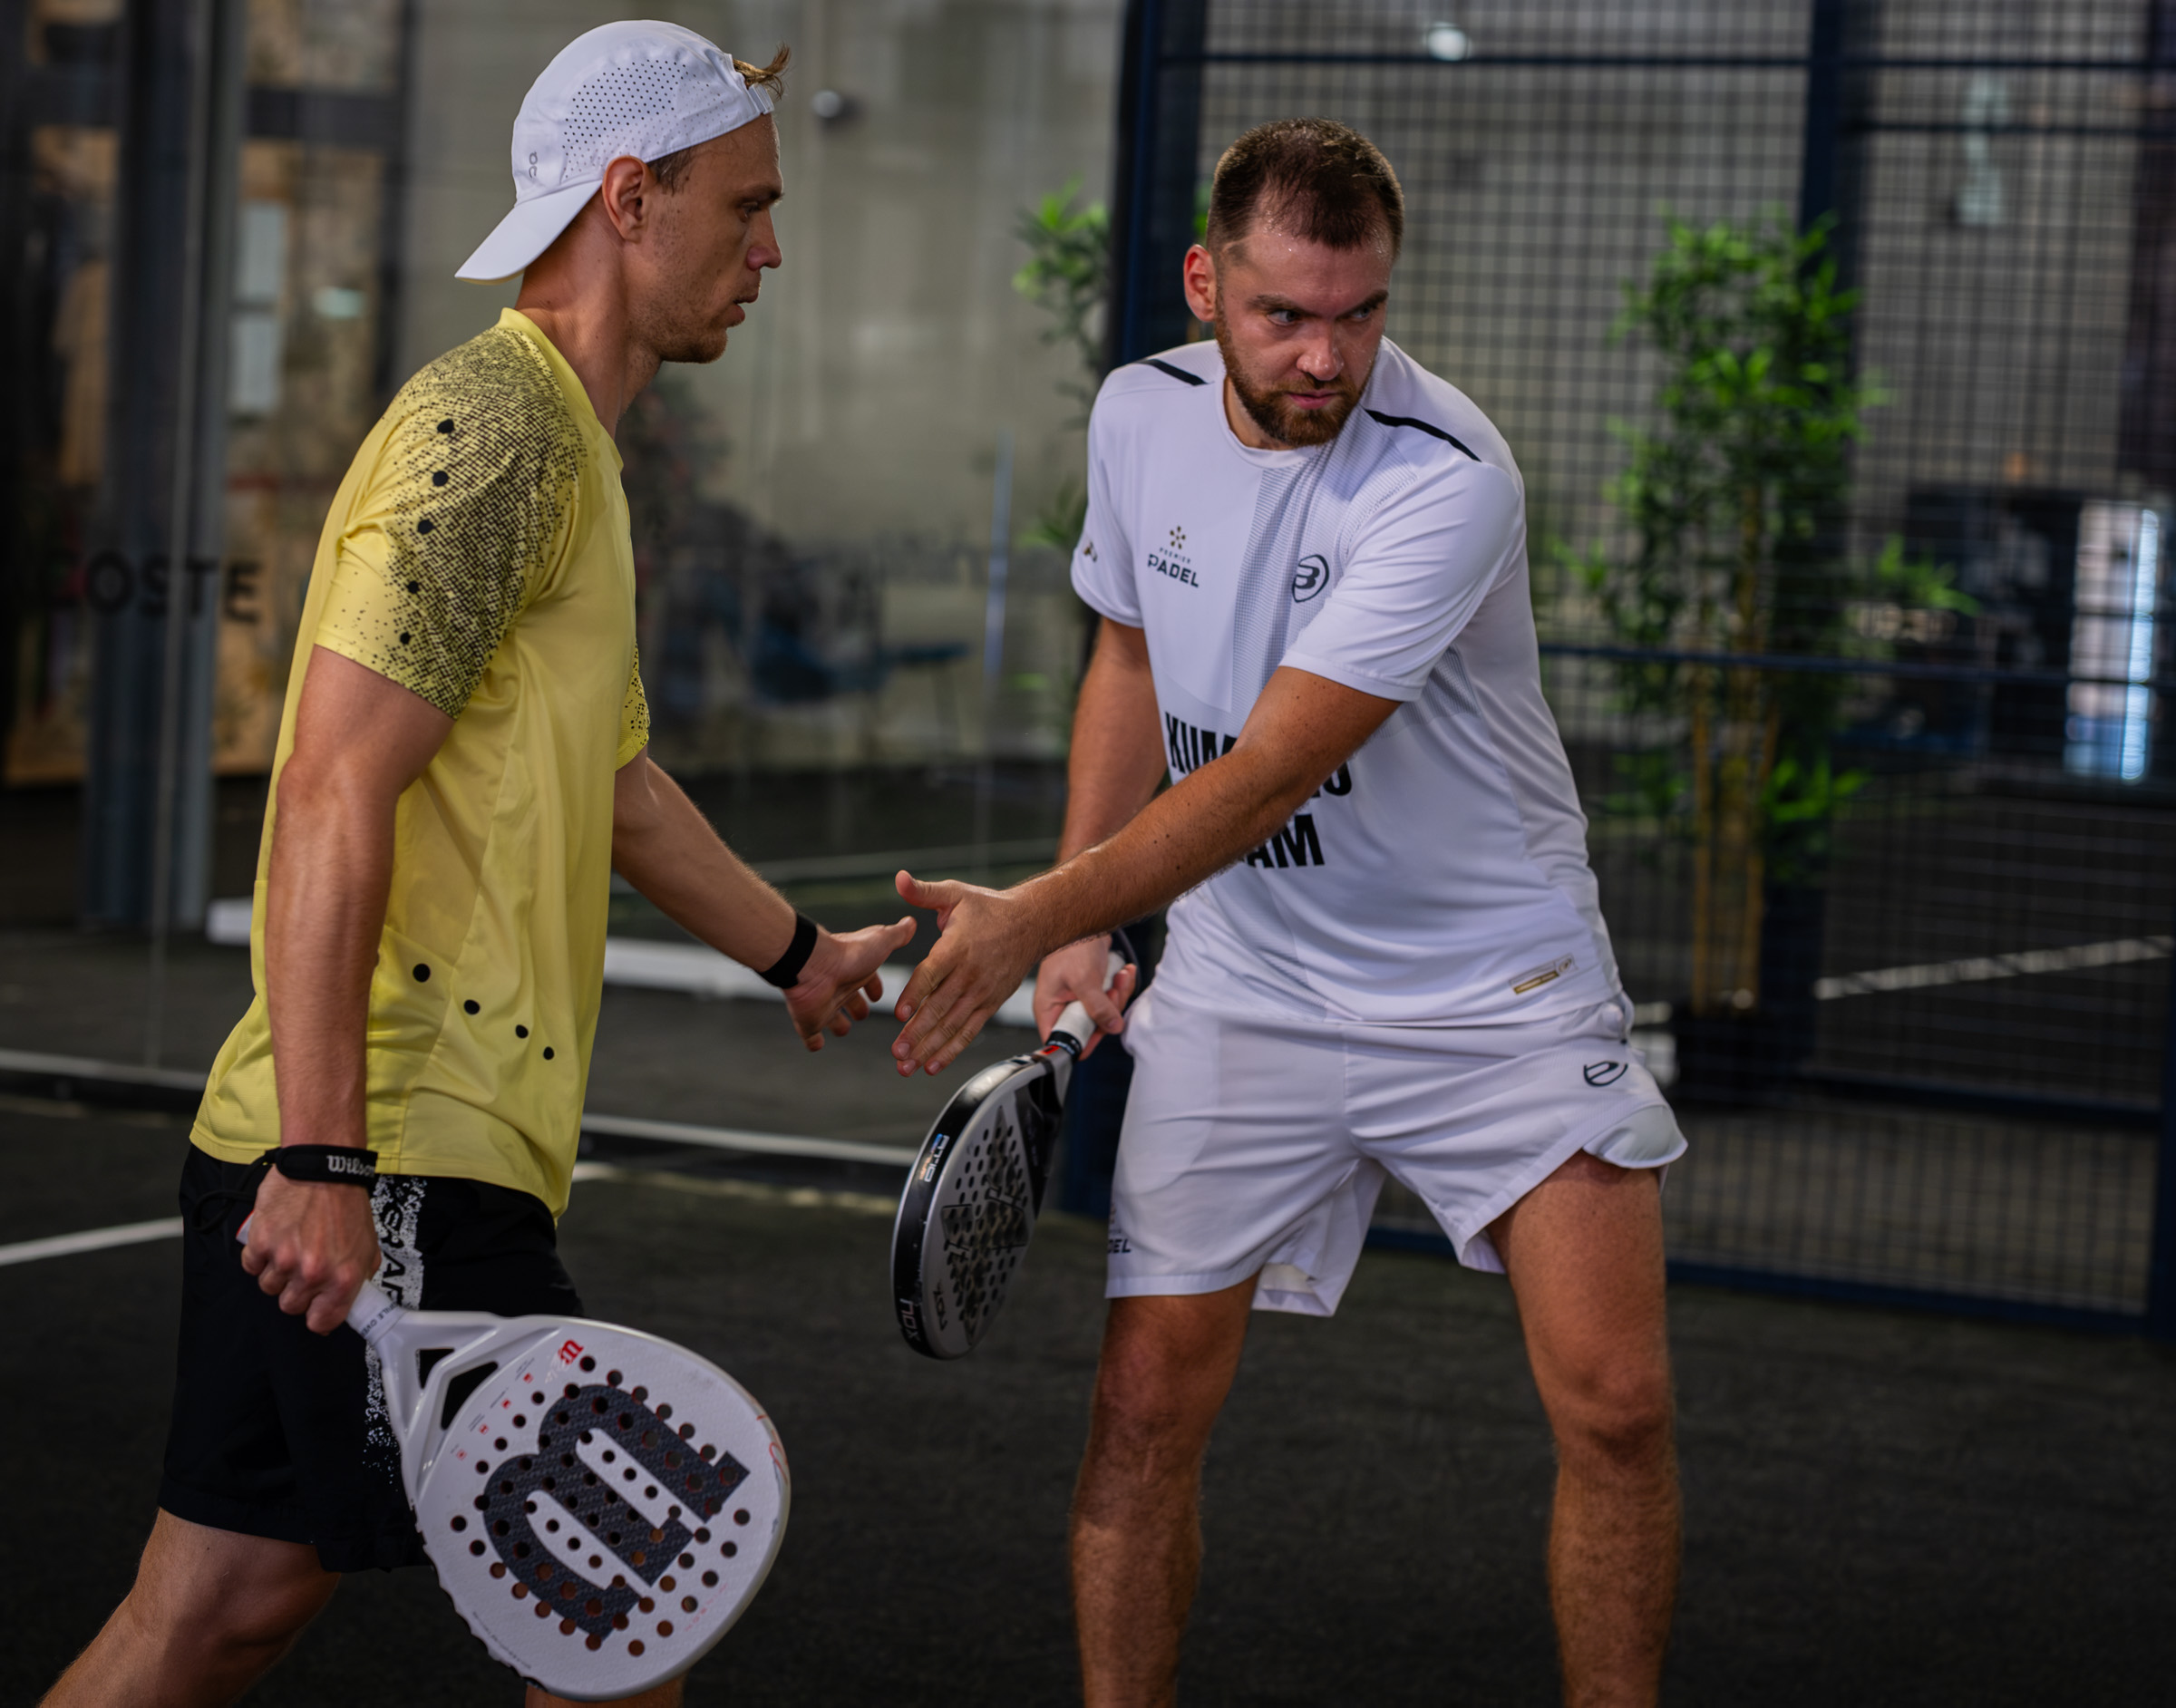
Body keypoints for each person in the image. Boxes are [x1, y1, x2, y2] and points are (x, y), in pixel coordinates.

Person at [44, 24, 907, 1708]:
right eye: (749, 207)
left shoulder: (570, 446)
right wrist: (324, 1156)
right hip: (395, 1138)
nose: (772, 252)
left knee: (208, 1612)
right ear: (629, 197)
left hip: (367, 1136)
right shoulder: (491, 430)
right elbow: (327, 793)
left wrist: (799, 956)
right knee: (622, 1612)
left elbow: (615, 779)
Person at [889, 118, 1685, 1707]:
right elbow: (1125, 652)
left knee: (1618, 1405)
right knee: (1139, 1412)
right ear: (1206, 286)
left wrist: (1028, 907)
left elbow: (1261, 777)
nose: (1328, 355)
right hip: (1247, 987)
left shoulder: (1449, 480)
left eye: (1361, 313)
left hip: (1493, 990)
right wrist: (1069, 934)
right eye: (1285, 315)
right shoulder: (1140, 416)